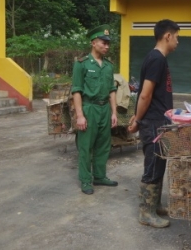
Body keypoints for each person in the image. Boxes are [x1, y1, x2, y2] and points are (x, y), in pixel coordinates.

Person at [128, 19, 180, 228]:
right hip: (153, 123)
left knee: (159, 163)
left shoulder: (158, 59)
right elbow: (145, 95)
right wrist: (138, 120)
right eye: (176, 37)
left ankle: (155, 205)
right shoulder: (156, 59)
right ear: (167, 36)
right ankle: (145, 213)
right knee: (152, 165)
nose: (178, 41)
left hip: (160, 120)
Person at [71, 24, 118, 195]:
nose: (106, 46)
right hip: (89, 108)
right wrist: (80, 115)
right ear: (93, 42)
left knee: (103, 145)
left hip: (104, 108)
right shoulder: (82, 64)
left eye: (108, 43)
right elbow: (76, 90)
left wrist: (114, 112)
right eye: (103, 43)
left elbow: (112, 90)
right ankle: (85, 180)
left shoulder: (108, 66)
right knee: (86, 146)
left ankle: (99, 176)